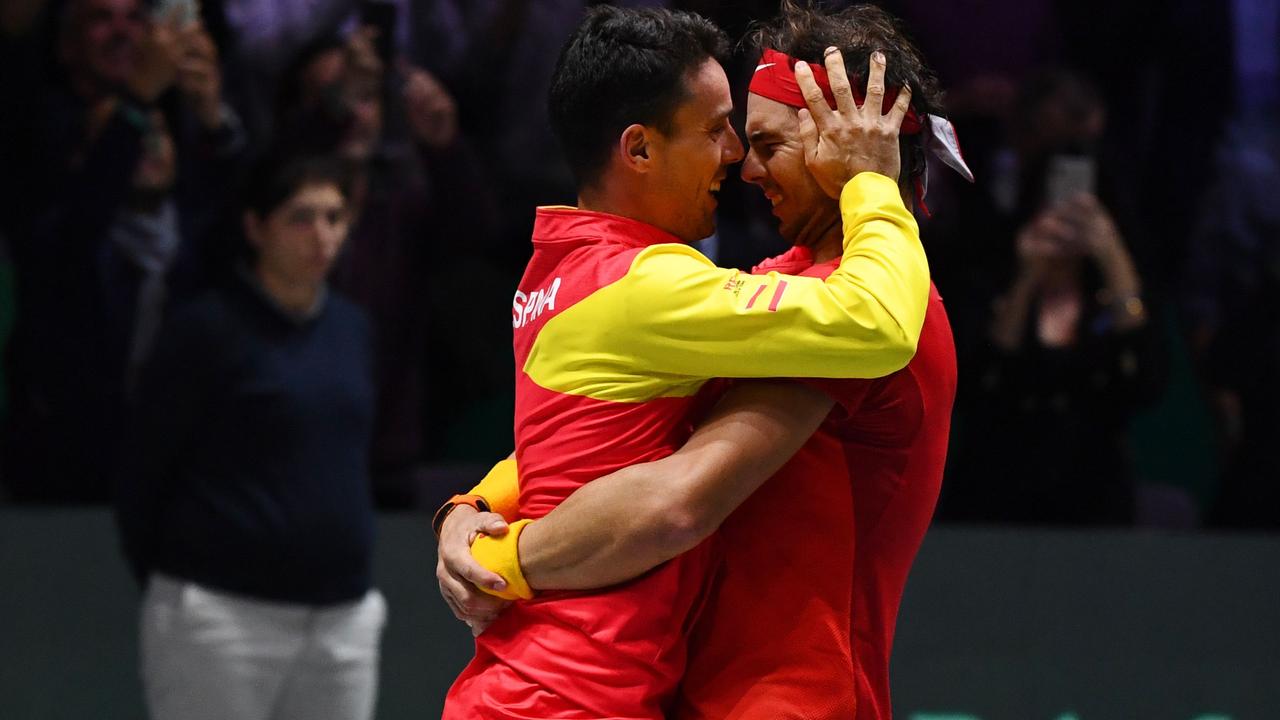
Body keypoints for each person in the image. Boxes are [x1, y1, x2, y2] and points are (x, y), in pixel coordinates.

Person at [438, 3, 972, 717]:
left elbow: (675, 496)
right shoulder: (753, 285)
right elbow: (626, 424)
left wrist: (504, 555)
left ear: (845, 145)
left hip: (791, 703)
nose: (742, 166)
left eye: (766, 142)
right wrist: (472, 507)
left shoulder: (874, 308)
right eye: (727, 135)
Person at [115, 152, 385, 720]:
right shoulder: (204, 331)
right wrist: (190, 579)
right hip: (220, 616)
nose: (323, 236)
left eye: (335, 218)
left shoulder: (352, 329)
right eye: (301, 218)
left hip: (342, 617)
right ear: (255, 226)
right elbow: (142, 473)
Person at [2, 0, 246, 501]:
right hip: (61, 465)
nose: (122, 32)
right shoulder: (41, 140)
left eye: (135, 18)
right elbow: (75, 228)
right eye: (101, 17)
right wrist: (136, 102)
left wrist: (213, 118)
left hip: (177, 465)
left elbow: (245, 225)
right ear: (67, 42)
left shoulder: (185, 223)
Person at [933, 68, 1165, 525]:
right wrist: (1024, 279)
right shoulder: (990, 270)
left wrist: (1113, 258)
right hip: (993, 496)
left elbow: (1147, 378)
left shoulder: (1117, 287)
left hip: (1095, 502)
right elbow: (979, 383)